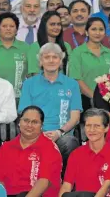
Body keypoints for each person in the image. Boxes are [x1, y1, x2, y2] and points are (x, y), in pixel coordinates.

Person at [19, 43, 82, 175]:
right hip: (34, 134)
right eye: (47, 57)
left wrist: (59, 132)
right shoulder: (29, 84)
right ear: (40, 61)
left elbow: (75, 117)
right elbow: (25, 115)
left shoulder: (72, 84)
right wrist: (39, 133)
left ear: (61, 61)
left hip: (62, 135)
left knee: (70, 143)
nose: (51, 60)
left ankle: (63, 186)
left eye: (55, 57)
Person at [0, 106, 62, 197]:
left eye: (35, 122)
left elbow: (44, 182)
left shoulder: (50, 148)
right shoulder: (6, 148)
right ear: (19, 122)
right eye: (26, 120)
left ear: (42, 125)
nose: (29, 125)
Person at [59, 108, 110, 197]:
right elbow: (66, 186)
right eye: (88, 125)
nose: (91, 130)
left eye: (97, 126)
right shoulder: (76, 154)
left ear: (106, 128)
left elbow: (106, 187)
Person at [69, 17, 110, 112]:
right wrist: (96, 98)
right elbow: (76, 79)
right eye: (93, 29)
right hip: (85, 100)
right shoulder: (77, 53)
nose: (97, 33)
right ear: (87, 32)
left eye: (101, 29)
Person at [0, 12, 29, 99]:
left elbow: (31, 76)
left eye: (11, 26)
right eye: (4, 26)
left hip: (19, 98)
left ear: (16, 30)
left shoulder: (25, 48)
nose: (8, 29)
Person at [27, 11, 72, 75]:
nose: (56, 27)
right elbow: (34, 75)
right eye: (52, 24)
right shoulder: (35, 47)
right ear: (44, 26)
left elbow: (69, 72)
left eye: (59, 24)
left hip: (64, 84)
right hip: (41, 84)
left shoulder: (66, 46)